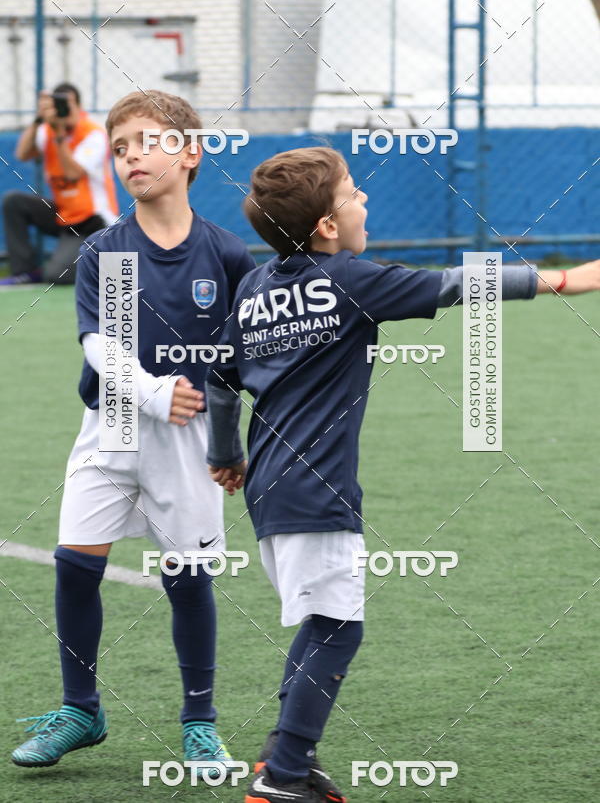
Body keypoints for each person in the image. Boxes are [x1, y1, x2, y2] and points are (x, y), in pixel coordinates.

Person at [203, 146, 600, 803]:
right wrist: (569, 279)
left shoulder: (253, 289)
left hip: (271, 492)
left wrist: (226, 454)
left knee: (320, 620)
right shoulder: (351, 279)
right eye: (353, 194)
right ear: (327, 227)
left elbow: (219, 379)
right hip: (316, 492)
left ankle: (287, 754)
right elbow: (453, 284)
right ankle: (281, 777)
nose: (365, 202)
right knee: (337, 626)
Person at [10, 90, 255, 773]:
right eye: (119, 148)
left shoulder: (227, 255)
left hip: (190, 442)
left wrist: (231, 443)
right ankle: (81, 709)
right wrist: (151, 392)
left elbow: (242, 361)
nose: (130, 156)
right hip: (111, 422)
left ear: (190, 152)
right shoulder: (109, 250)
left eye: (147, 141)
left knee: (188, 578)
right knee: (75, 564)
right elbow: (101, 346)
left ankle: (199, 724)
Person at [1, 83, 118, 286]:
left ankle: (105, 261)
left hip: (93, 221)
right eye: (58, 105)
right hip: (64, 214)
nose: (62, 111)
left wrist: (59, 135)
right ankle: (25, 271)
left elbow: (72, 173)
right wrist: (39, 119)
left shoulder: (93, 134)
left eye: (67, 105)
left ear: (79, 108)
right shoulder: (47, 130)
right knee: (14, 201)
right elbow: (22, 154)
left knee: (57, 275)